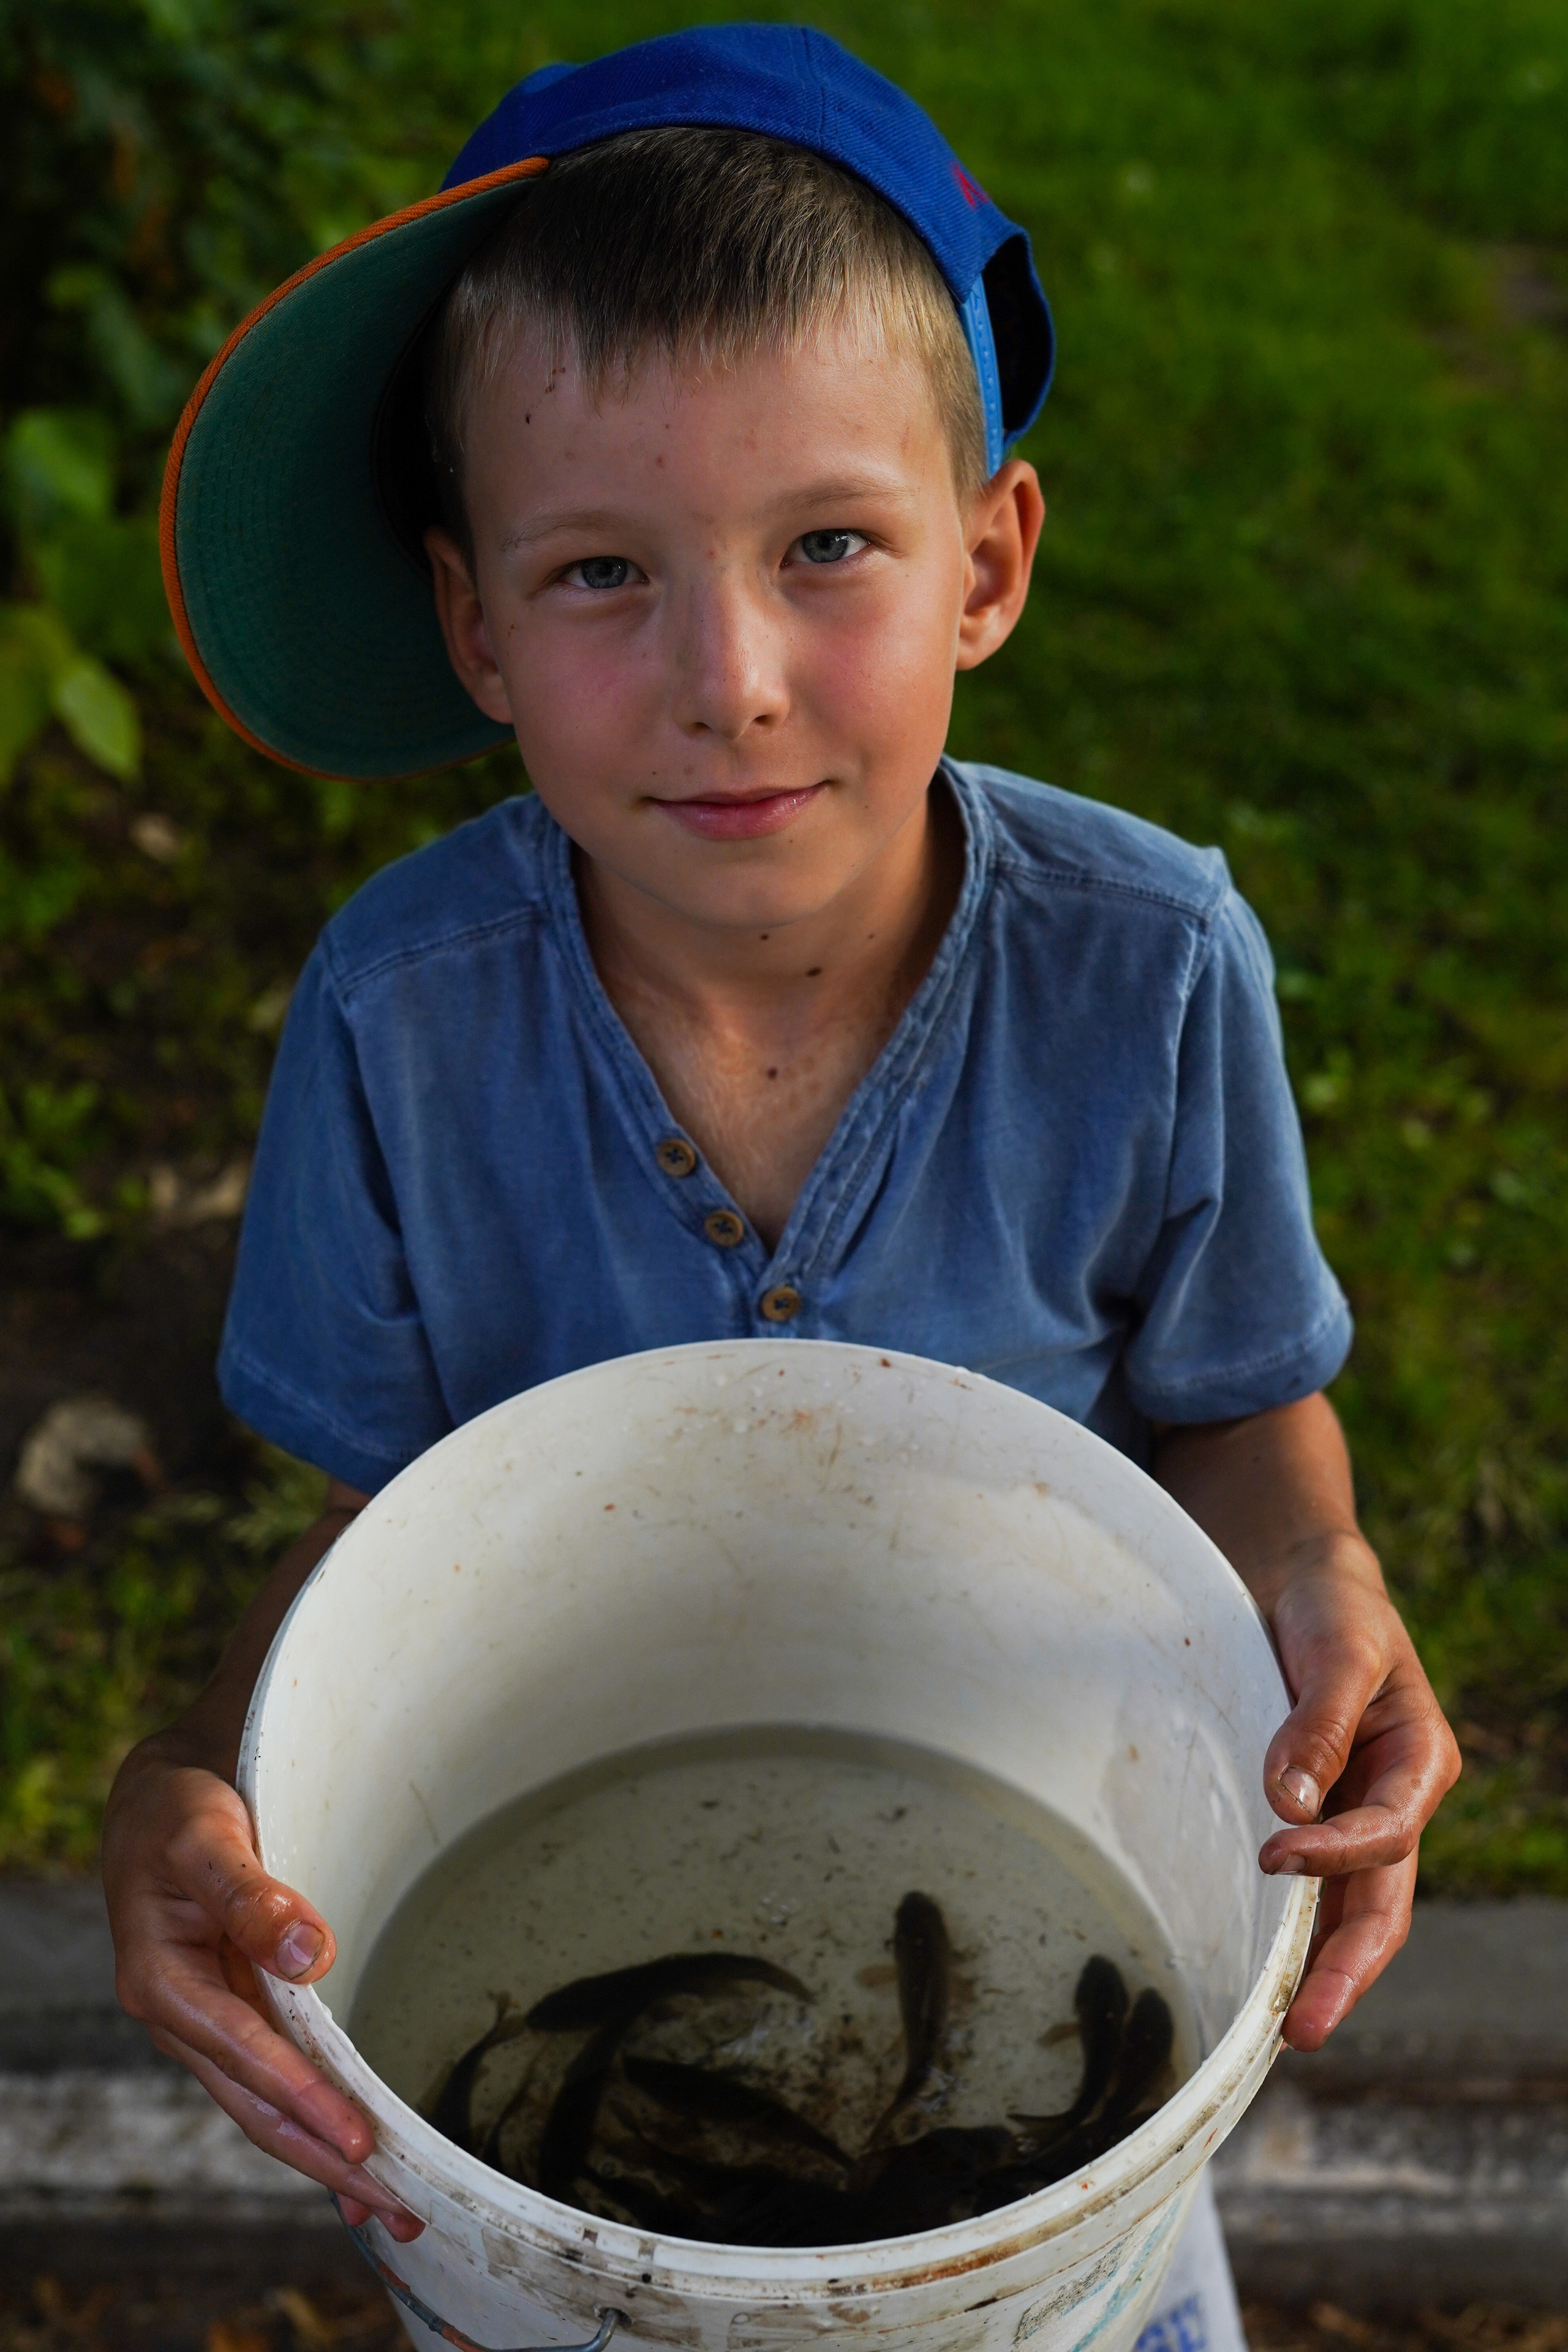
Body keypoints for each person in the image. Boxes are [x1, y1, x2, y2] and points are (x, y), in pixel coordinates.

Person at [104, 23, 1459, 2342]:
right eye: (599, 572)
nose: (726, 677)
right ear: (472, 624)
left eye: (827, 545)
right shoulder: (396, 1020)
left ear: (988, 560)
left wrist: (1321, 1576)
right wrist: (191, 1785)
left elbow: (1240, 1410)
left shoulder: (1150, 970)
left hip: (1056, 2018)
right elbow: (379, 1542)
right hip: (551, 2214)